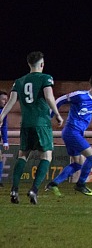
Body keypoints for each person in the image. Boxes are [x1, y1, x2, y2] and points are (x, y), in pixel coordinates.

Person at [0, 51, 64, 205]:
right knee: (46, 156)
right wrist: (57, 114)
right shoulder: (45, 78)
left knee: (22, 156)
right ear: (41, 64)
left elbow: (11, 101)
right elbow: (49, 97)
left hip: (26, 124)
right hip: (41, 122)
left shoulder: (19, 81)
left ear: (29, 64)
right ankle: (34, 189)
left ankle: (14, 190)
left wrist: (1, 116)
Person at [0, 90, 9, 187]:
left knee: (0, 159)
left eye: (6, 100)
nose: (5, 102)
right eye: (3, 99)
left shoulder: (4, 112)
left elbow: (4, 126)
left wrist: (5, 141)